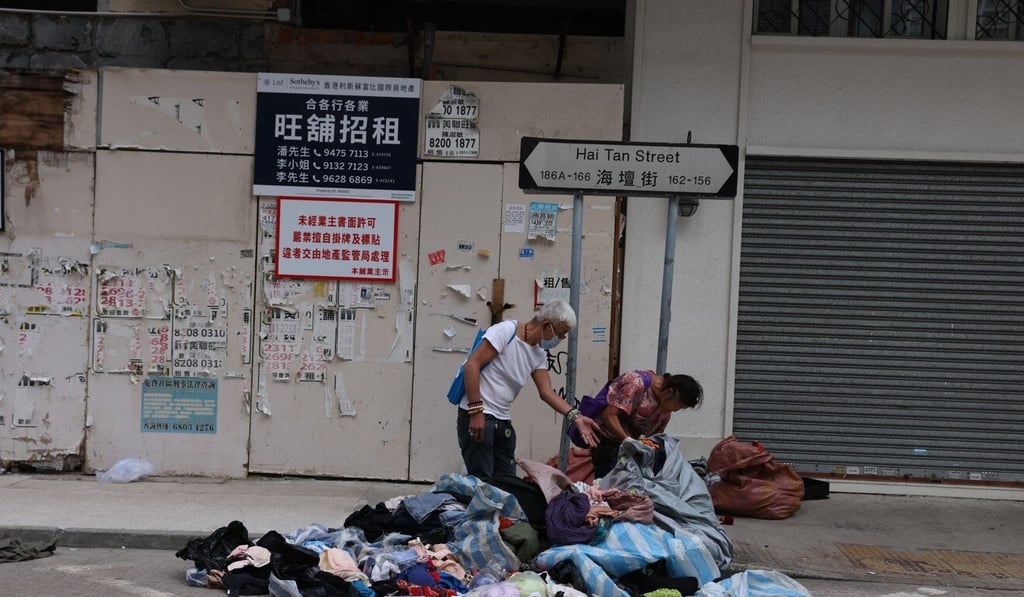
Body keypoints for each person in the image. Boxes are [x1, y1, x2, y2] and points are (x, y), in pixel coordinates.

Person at [456, 300, 602, 481]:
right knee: (482, 482)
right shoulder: (506, 331)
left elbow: (546, 392)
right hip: (479, 415)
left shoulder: (538, 354)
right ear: (546, 325)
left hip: (502, 420)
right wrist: (476, 411)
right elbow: (472, 365)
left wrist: (576, 417)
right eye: (560, 334)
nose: (559, 340)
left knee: (507, 484)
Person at [588, 370, 703, 478]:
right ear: (669, 392)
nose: (675, 411)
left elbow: (654, 439)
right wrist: (627, 440)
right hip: (602, 440)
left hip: (626, 449)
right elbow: (609, 415)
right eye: (677, 406)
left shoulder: (664, 410)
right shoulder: (636, 384)